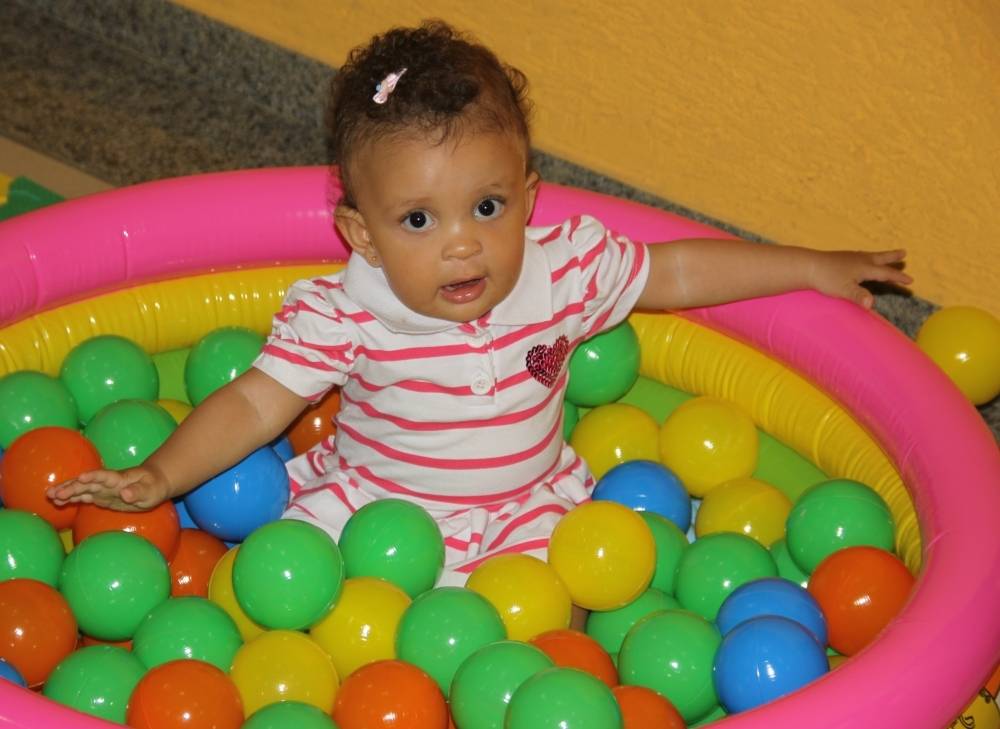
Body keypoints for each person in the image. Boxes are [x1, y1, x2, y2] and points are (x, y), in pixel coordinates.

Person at [48, 21, 911, 587]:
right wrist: (161, 474)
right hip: (375, 511)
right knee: (279, 576)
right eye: (418, 220)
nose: (462, 243)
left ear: (531, 198)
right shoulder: (346, 314)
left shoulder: (564, 273)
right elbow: (251, 402)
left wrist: (808, 265)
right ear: (360, 230)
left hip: (528, 511)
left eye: (487, 207)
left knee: (602, 587)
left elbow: (678, 273)